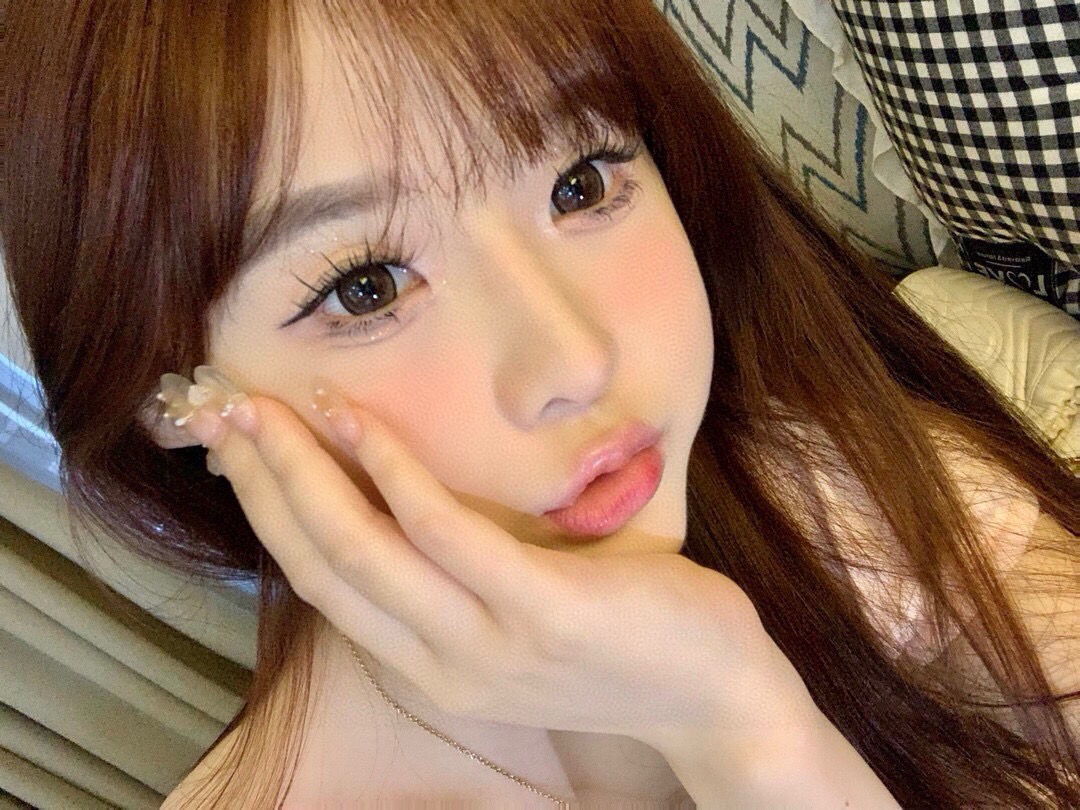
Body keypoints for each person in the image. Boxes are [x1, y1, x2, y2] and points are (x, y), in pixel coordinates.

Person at [1, 1, 1077, 807]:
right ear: (176, 402)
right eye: (366, 287)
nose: (577, 358)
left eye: (581, 181)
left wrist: (739, 719)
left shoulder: (826, 491)